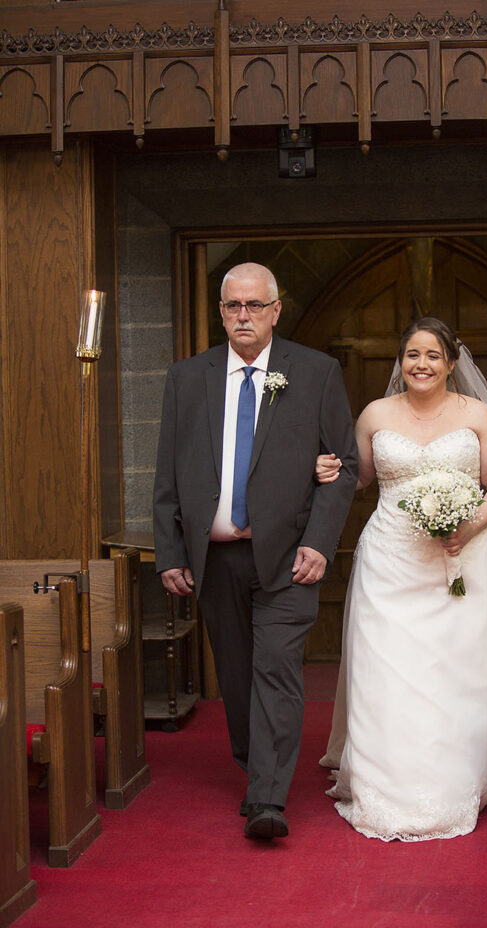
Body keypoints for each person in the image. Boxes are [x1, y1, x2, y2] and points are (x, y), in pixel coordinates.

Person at [315, 316, 487, 842]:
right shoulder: (374, 414)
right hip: (390, 559)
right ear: (401, 361)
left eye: (433, 355)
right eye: (413, 354)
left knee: (456, 671)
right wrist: (330, 469)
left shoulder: (476, 414)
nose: (422, 365)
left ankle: (459, 773)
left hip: (466, 559)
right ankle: (383, 781)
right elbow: (361, 476)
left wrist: (466, 526)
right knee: (387, 667)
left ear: (452, 362)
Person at [153, 262, 357, 841]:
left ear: (275, 310)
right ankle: (254, 767)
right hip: (214, 560)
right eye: (232, 306)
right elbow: (166, 473)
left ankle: (268, 798)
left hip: (289, 558)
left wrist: (319, 542)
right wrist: (171, 552)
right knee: (238, 675)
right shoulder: (187, 378)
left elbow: (342, 466)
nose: (243, 316)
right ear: (221, 312)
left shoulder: (315, 373)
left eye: (254, 306)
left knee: (276, 671)